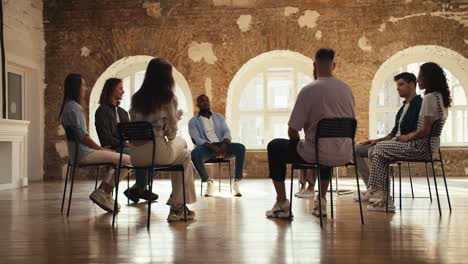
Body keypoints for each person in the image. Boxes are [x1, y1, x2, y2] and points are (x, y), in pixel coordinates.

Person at [266, 48, 356, 219]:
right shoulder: (347, 89)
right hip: (345, 153)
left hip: (317, 153)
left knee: (275, 146)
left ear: (314, 66)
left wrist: (298, 141)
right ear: (334, 65)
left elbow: (292, 130)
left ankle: (282, 203)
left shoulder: (309, 90)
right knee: (326, 146)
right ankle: (321, 201)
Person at [366, 62, 451, 212]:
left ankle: (382, 197)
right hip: (430, 146)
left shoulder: (429, 98)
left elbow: (424, 130)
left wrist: (407, 138)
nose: (418, 80)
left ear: (428, 78)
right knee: (378, 150)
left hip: (420, 146)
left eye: (420, 76)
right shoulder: (440, 98)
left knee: (378, 149)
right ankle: (380, 194)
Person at [129, 58, 197, 222]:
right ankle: (177, 207)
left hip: (136, 156)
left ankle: (178, 204)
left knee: (184, 156)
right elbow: (171, 134)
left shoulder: (136, 98)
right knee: (185, 152)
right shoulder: (168, 98)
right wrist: (176, 118)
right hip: (157, 152)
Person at [59, 73, 131, 212]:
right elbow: (83, 137)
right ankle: (104, 191)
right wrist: (100, 149)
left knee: (122, 158)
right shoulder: (74, 108)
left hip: (78, 153)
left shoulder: (68, 106)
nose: (85, 89)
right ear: (76, 88)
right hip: (83, 154)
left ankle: (105, 193)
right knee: (127, 159)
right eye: (83, 86)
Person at [354, 72, 422, 202]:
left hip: (405, 144)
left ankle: (380, 191)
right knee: (356, 149)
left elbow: (416, 131)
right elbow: (392, 134)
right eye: (397, 85)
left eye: (401, 84)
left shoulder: (419, 105)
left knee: (376, 149)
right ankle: (372, 188)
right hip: (393, 141)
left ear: (412, 85)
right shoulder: (403, 108)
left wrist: (402, 138)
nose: (398, 88)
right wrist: (375, 140)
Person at [95, 78, 158, 203]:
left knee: (154, 157)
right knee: (141, 156)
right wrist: (125, 144)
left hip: (125, 147)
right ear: (111, 89)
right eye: (120, 88)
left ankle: (138, 188)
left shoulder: (123, 112)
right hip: (112, 148)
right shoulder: (102, 111)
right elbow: (105, 137)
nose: (123, 91)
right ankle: (139, 189)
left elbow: (131, 133)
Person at [189, 94, 246, 197]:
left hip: (222, 145)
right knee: (194, 154)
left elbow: (226, 131)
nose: (205, 102)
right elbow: (196, 139)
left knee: (240, 148)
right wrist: (212, 147)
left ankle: (236, 182)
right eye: (201, 101)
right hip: (206, 148)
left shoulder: (219, 117)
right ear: (197, 104)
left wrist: (224, 144)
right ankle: (209, 182)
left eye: (206, 100)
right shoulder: (193, 121)